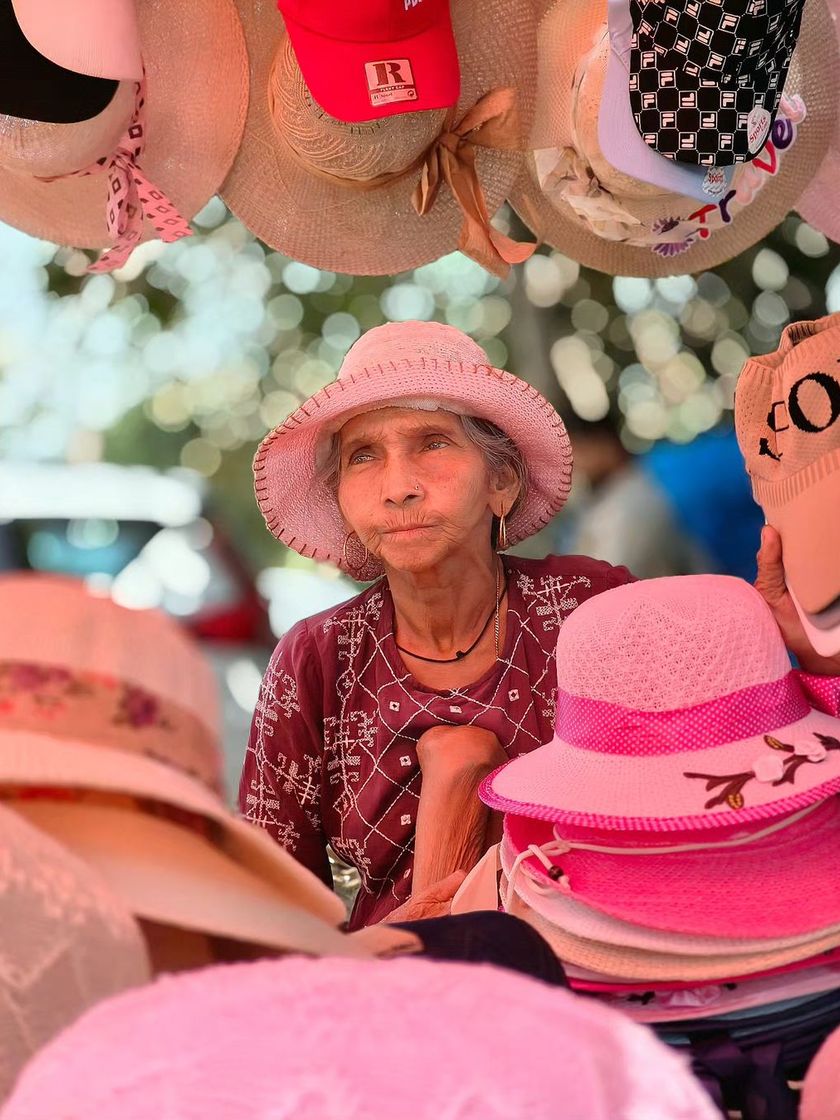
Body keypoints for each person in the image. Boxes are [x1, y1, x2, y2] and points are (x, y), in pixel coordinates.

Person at [239, 320, 826, 930]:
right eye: (363, 456)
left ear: (501, 483)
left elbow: (741, 771)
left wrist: (809, 655)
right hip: (394, 971)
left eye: (433, 443)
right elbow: (266, 898)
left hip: (611, 947)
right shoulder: (317, 658)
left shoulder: (593, 607)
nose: (399, 488)